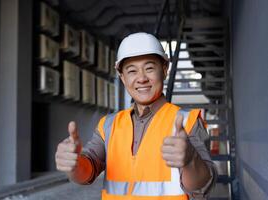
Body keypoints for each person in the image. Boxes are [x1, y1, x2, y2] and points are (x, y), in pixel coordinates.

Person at [55, 32, 217, 200]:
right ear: (123, 78)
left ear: (164, 70)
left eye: (149, 68)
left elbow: (202, 186)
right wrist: (74, 166)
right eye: (132, 71)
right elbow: (87, 172)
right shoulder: (108, 125)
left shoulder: (187, 121)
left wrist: (190, 160)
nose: (141, 78)